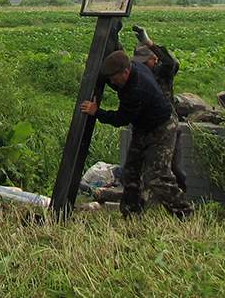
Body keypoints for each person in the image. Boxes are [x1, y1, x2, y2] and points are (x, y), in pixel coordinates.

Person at [80, 50, 192, 219]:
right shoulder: (131, 69)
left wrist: (97, 112)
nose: (111, 82)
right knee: (130, 173)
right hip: (143, 126)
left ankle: (184, 212)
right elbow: (112, 75)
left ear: (125, 72)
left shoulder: (137, 89)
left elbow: (121, 119)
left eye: (113, 78)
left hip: (162, 128)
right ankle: (131, 213)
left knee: (157, 177)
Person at [131, 24, 186, 191]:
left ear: (154, 59)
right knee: (139, 169)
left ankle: (181, 199)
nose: (141, 65)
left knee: (172, 168)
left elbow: (171, 62)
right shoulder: (139, 73)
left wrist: (150, 44)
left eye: (145, 61)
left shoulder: (162, 72)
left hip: (166, 125)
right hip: (146, 126)